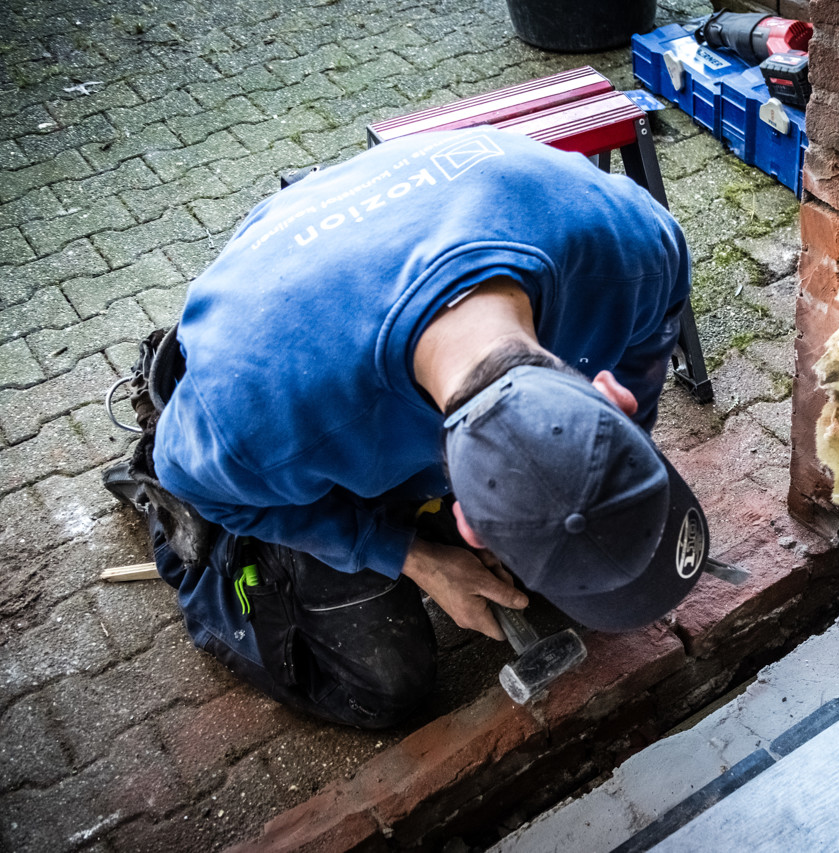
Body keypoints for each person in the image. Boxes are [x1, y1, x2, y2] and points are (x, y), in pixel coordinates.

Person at [105, 127, 709, 729]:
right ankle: (197, 557)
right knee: (388, 687)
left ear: (612, 395)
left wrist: (595, 459)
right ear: (467, 518)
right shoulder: (253, 429)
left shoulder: (633, 245)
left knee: (572, 548)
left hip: (391, 262)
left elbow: (650, 335)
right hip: (269, 336)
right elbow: (191, 481)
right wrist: (413, 556)